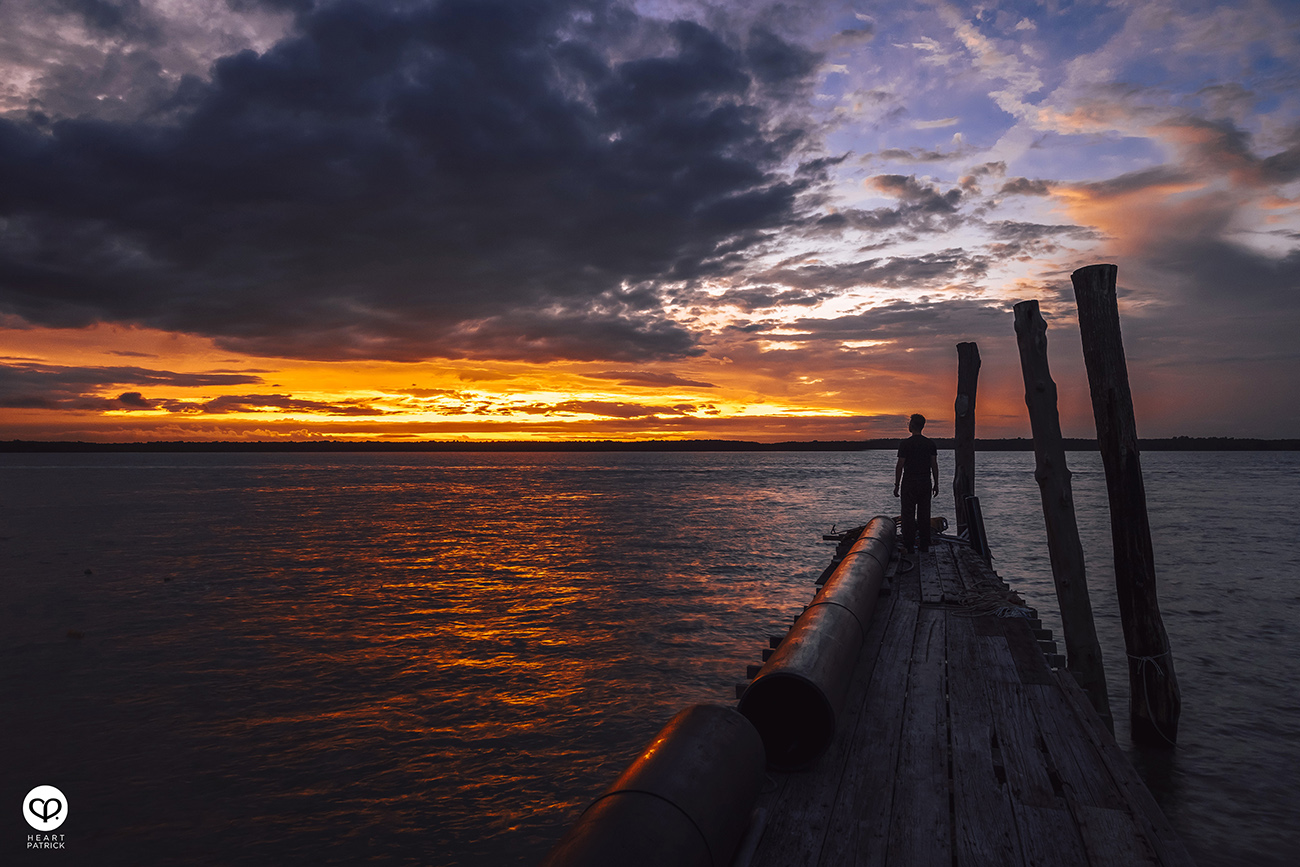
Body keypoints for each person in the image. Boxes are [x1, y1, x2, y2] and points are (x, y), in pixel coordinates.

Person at [893, 413, 939, 554]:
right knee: (924, 514)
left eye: (909, 423)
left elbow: (900, 465)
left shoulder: (905, 444)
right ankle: (924, 545)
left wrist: (896, 485)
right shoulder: (930, 444)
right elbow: (934, 465)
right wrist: (936, 483)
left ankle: (909, 545)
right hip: (925, 481)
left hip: (909, 482)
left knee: (908, 514)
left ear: (912, 426)